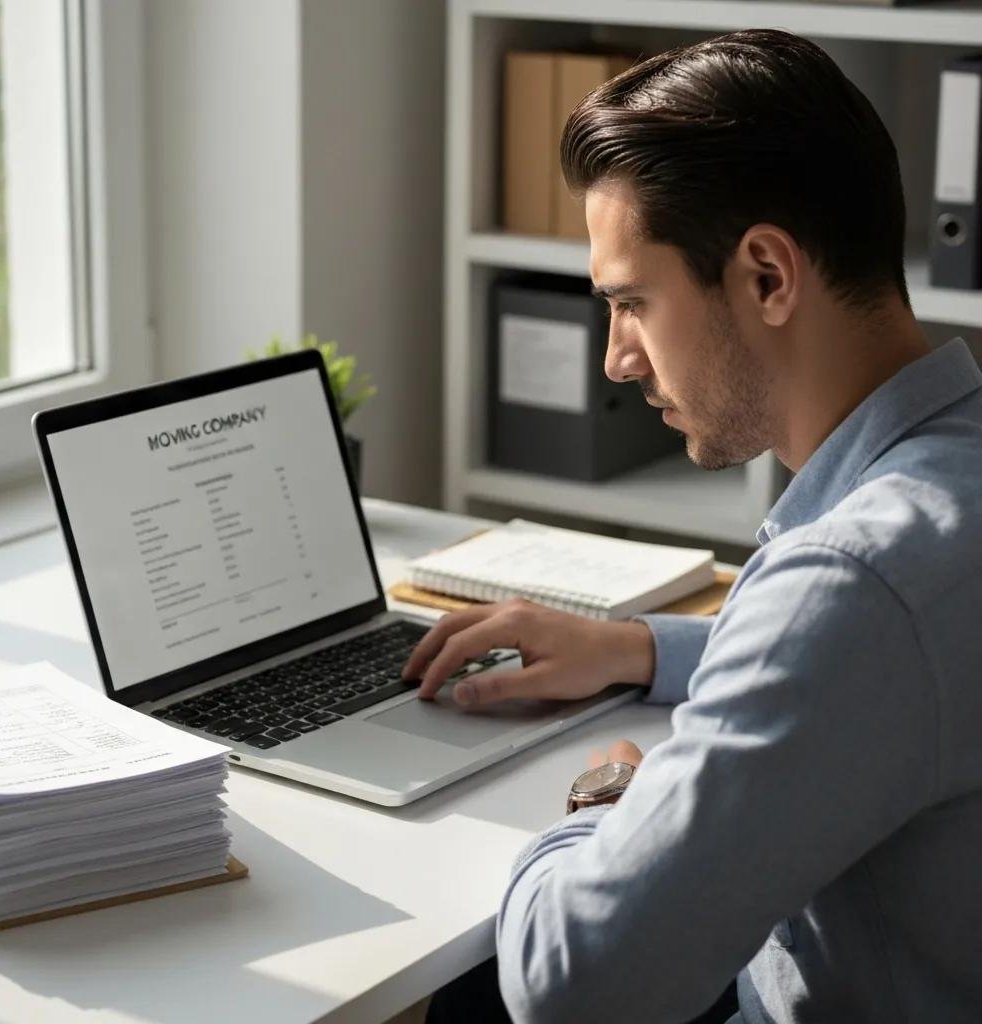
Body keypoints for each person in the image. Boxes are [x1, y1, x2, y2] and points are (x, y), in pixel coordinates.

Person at [404, 28, 982, 1024]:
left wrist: (604, 799)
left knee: (473, 983)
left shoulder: (853, 583)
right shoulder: (940, 498)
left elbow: (573, 985)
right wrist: (634, 648)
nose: (616, 360)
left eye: (632, 302)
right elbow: (882, 664)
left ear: (766, 276)